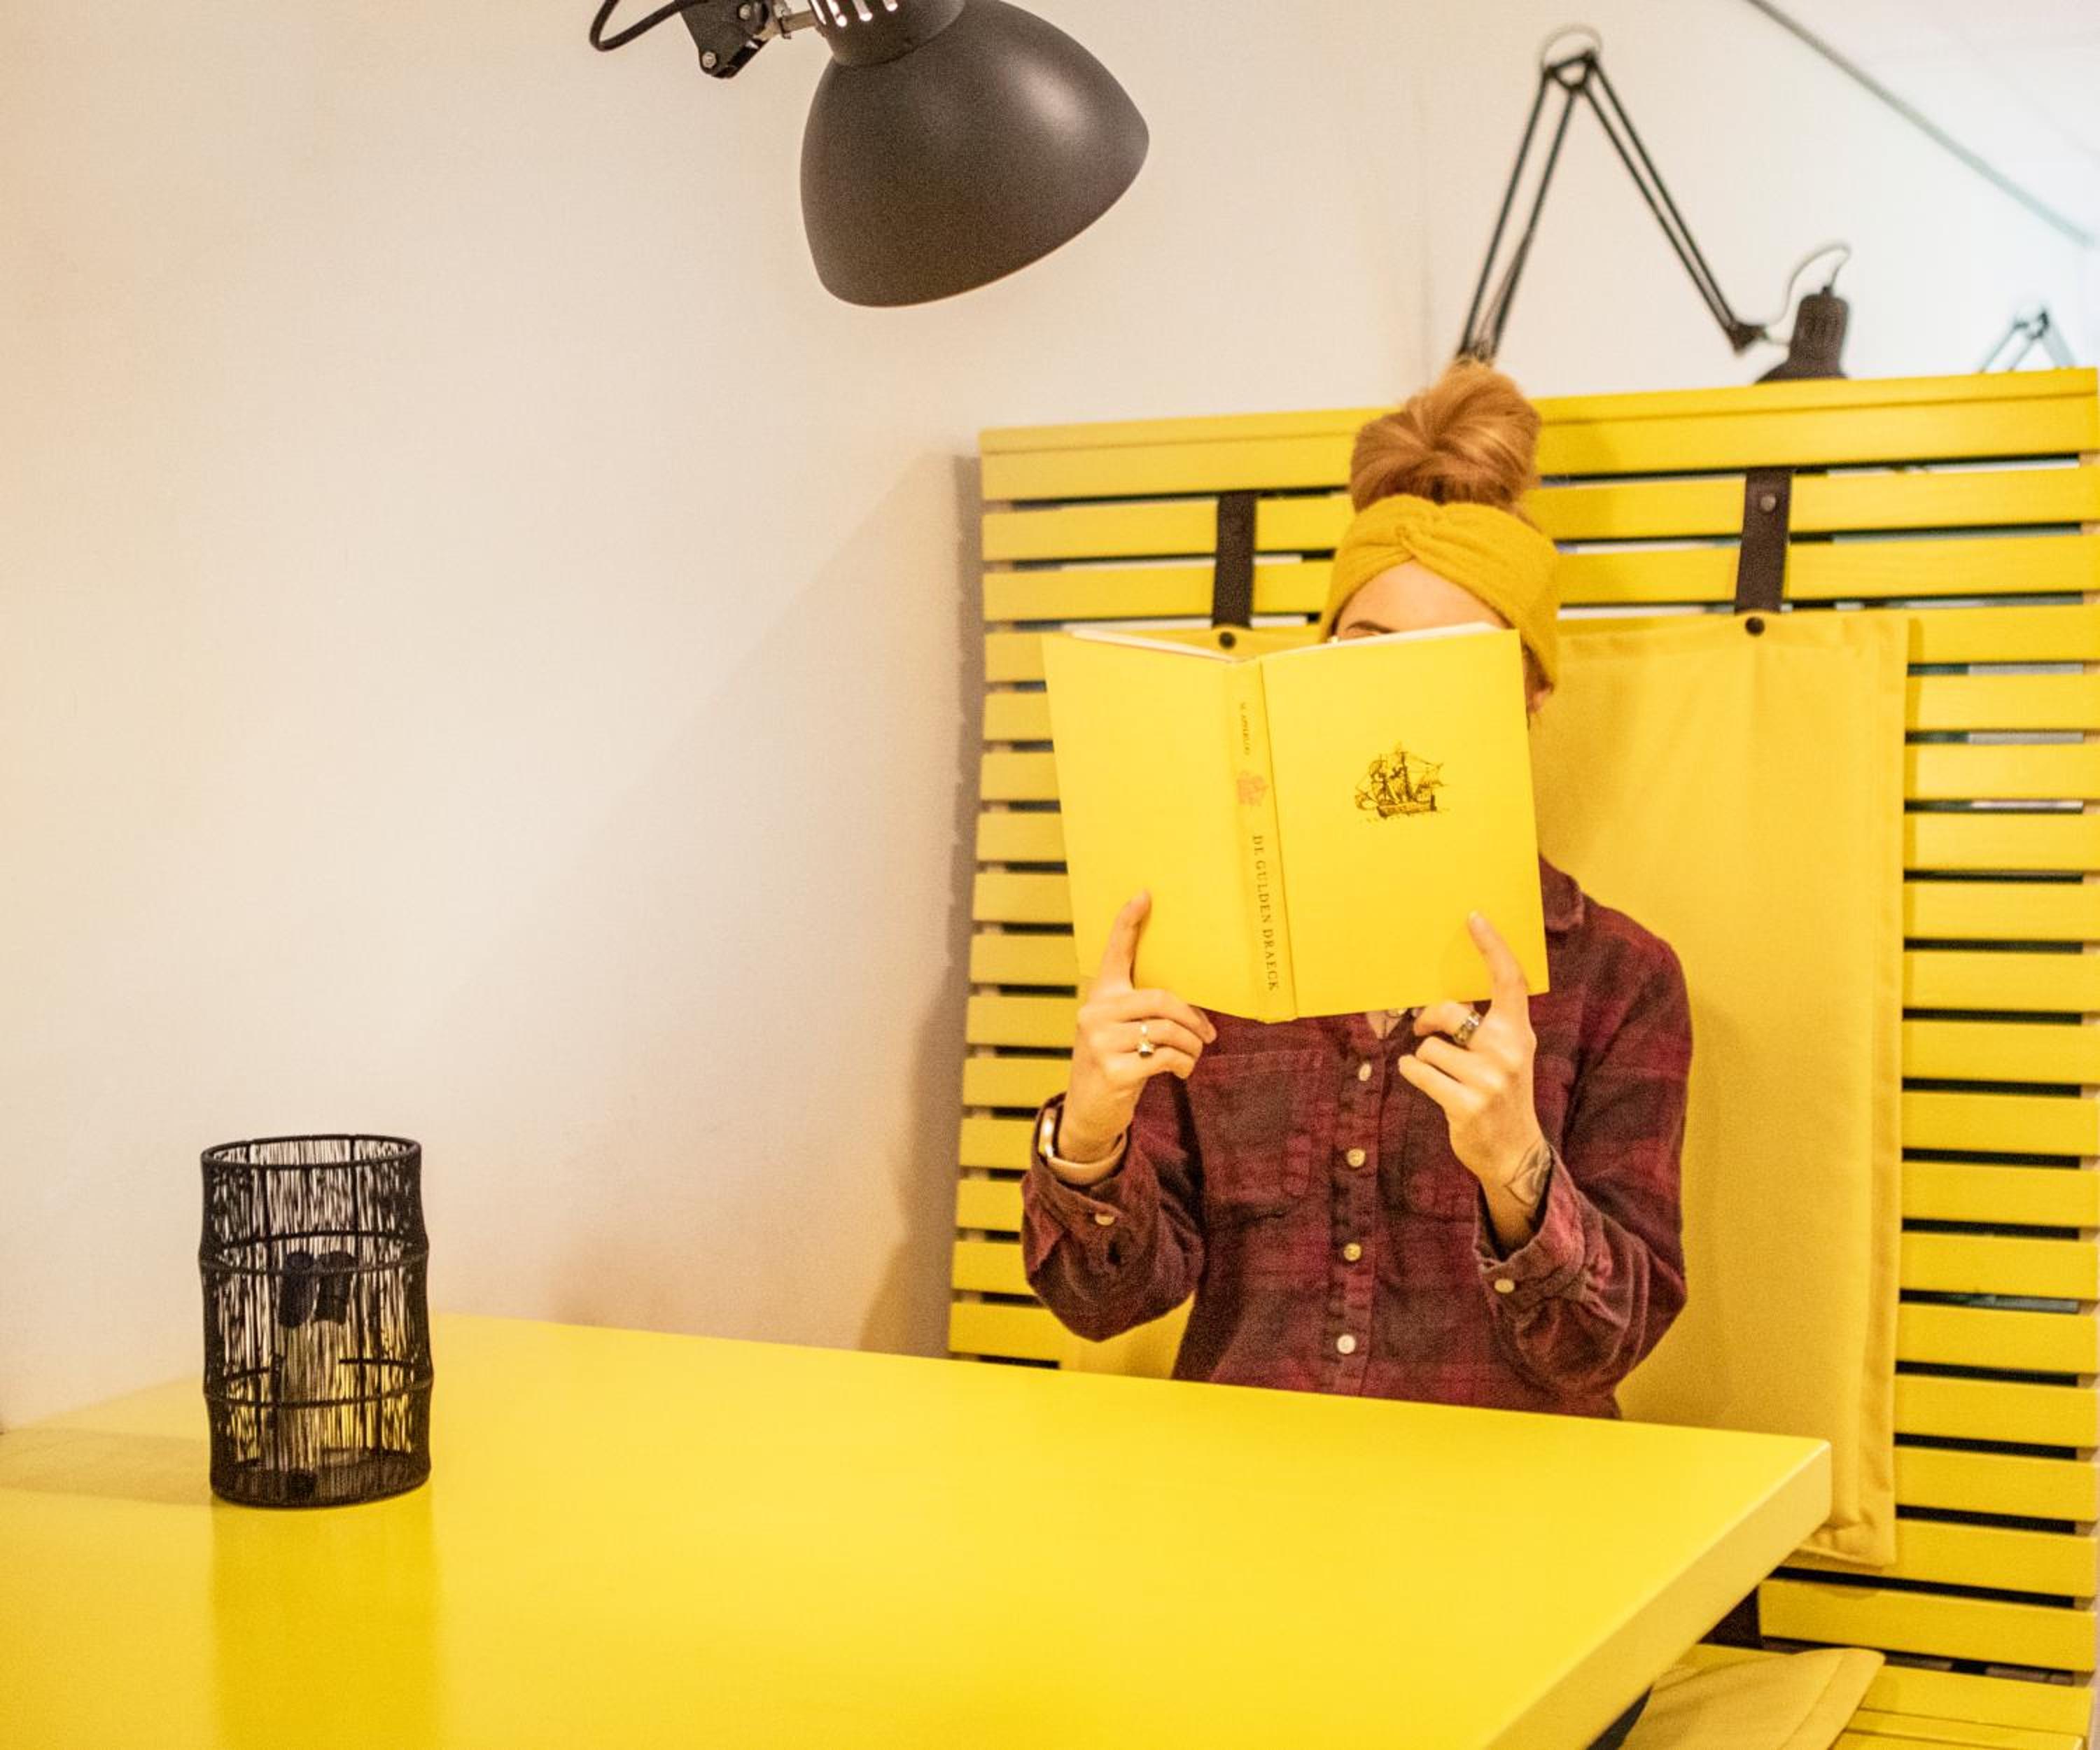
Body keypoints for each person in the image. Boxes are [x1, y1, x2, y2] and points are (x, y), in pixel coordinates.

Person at [1020, 357, 1693, 1750]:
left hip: (1522, 1569)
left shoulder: (1620, 977)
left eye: (1446, 670)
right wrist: (1087, 1131)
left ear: (1522, 702)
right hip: (1238, 1553)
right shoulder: (1208, 955)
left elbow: (1610, 1339)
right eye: (1361, 653)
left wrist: (1517, 1170)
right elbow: (1108, 1304)